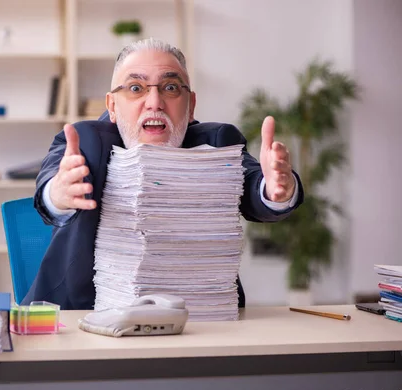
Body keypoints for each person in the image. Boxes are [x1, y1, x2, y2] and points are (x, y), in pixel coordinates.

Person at [22, 38, 304, 310]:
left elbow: (257, 189)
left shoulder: (218, 141)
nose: (154, 102)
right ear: (111, 107)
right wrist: (57, 193)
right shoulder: (83, 141)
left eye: (170, 87)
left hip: (200, 317)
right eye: (135, 88)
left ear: (191, 105)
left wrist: (275, 189)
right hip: (82, 313)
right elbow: (49, 188)